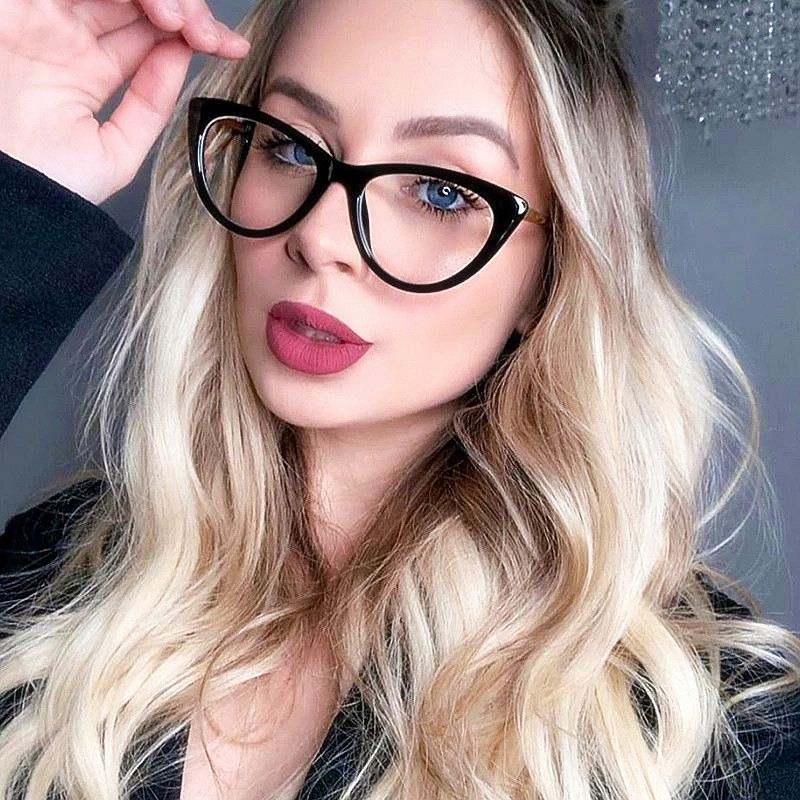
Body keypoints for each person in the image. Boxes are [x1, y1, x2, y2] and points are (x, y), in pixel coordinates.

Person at [1, 0, 799, 798]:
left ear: (552, 274)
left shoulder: (715, 732)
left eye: (440, 193)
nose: (320, 238)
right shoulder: (59, 577)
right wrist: (18, 199)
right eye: (290, 146)